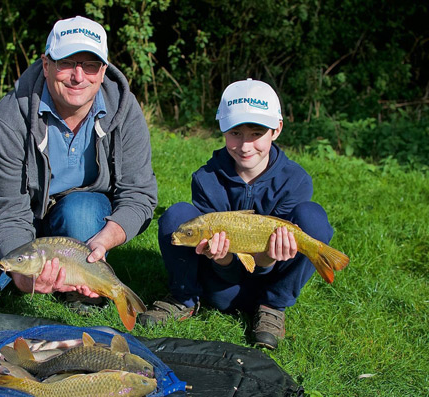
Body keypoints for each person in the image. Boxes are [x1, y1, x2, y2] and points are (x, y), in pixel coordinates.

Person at [0, 16, 157, 312]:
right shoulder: (9, 118)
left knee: (83, 211)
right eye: (67, 63)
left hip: (80, 213)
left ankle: (78, 288)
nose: (78, 76)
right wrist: (24, 278)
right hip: (19, 212)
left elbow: (140, 195)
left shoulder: (125, 111)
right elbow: (8, 207)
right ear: (46, 64)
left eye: (90, 65)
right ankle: (27, 270)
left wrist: (104, 240)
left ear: (103, 71)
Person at [139, 79, 334, 350]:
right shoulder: (206, 178)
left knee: (312, 218)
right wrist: (222, 259)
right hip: (222, 288)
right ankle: (183, 298)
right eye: (235, 133)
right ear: (223, 130)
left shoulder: (296, 180)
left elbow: (266, 264)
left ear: (276, 130)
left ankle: (273, 308)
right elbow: (228, 268)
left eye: (256, 134)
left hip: (271, 280)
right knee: (177, 217)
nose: (245, 146)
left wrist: (268, 258)